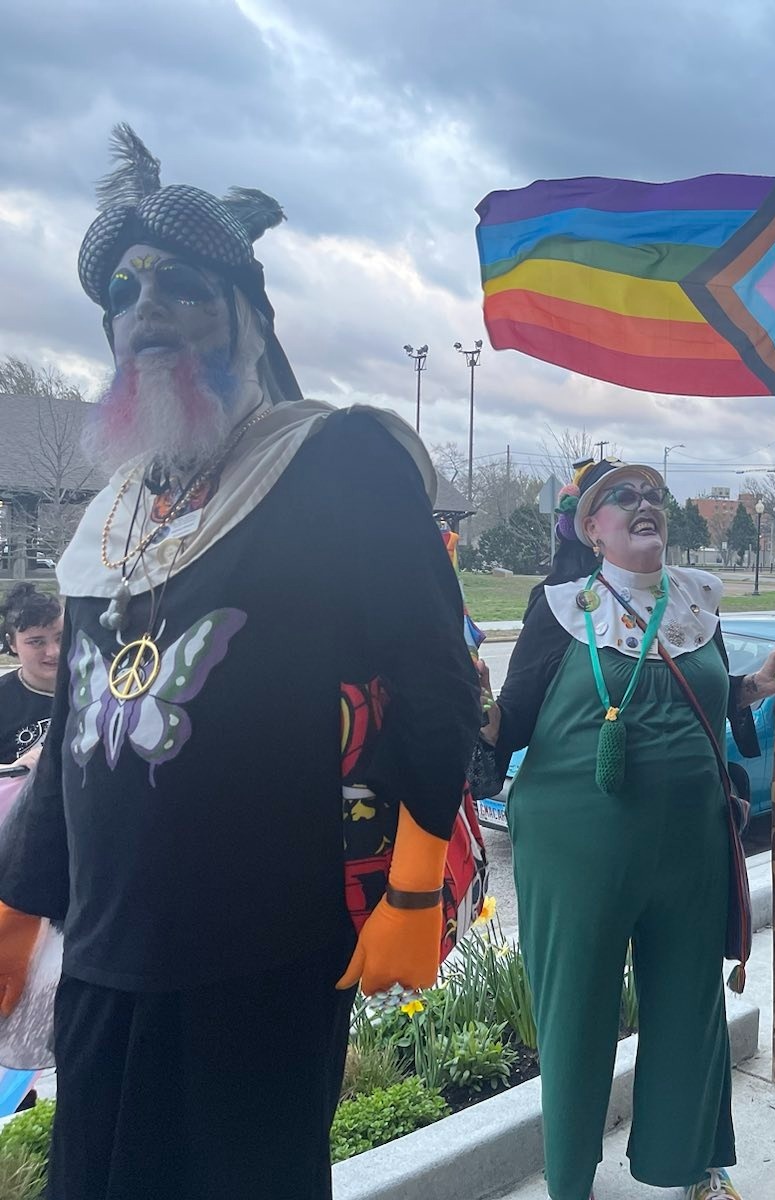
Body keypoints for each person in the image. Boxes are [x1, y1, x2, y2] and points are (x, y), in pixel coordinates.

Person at [0, 127, 481, 1199]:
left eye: (179, 282)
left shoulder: (339, 460)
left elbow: (438, 677)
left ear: (249, 315)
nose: (145, 308)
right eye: (124, 295)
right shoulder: (110, 514)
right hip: (106, 964)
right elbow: (77, 734)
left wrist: (412, 881)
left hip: (261, 957)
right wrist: (16, 906)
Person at [483, 458, 775, 1200]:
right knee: (578, 1016)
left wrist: (762, 685)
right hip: (577, 853)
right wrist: (474, 704)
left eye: (653, 495)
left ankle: (691, 1165)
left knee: (693, 1007)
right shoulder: (560, 607)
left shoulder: (699, 600)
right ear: (591, 528)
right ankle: (570, 1183)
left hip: (688, 847)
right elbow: (509, 725)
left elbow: (717, 702)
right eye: (621, 497)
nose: (642, 504)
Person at [0, 584, 61, 770]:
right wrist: (12, 769)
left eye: (61, 637)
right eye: (36, 642)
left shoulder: (97, 689)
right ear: (12, 644)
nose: (54, 652)